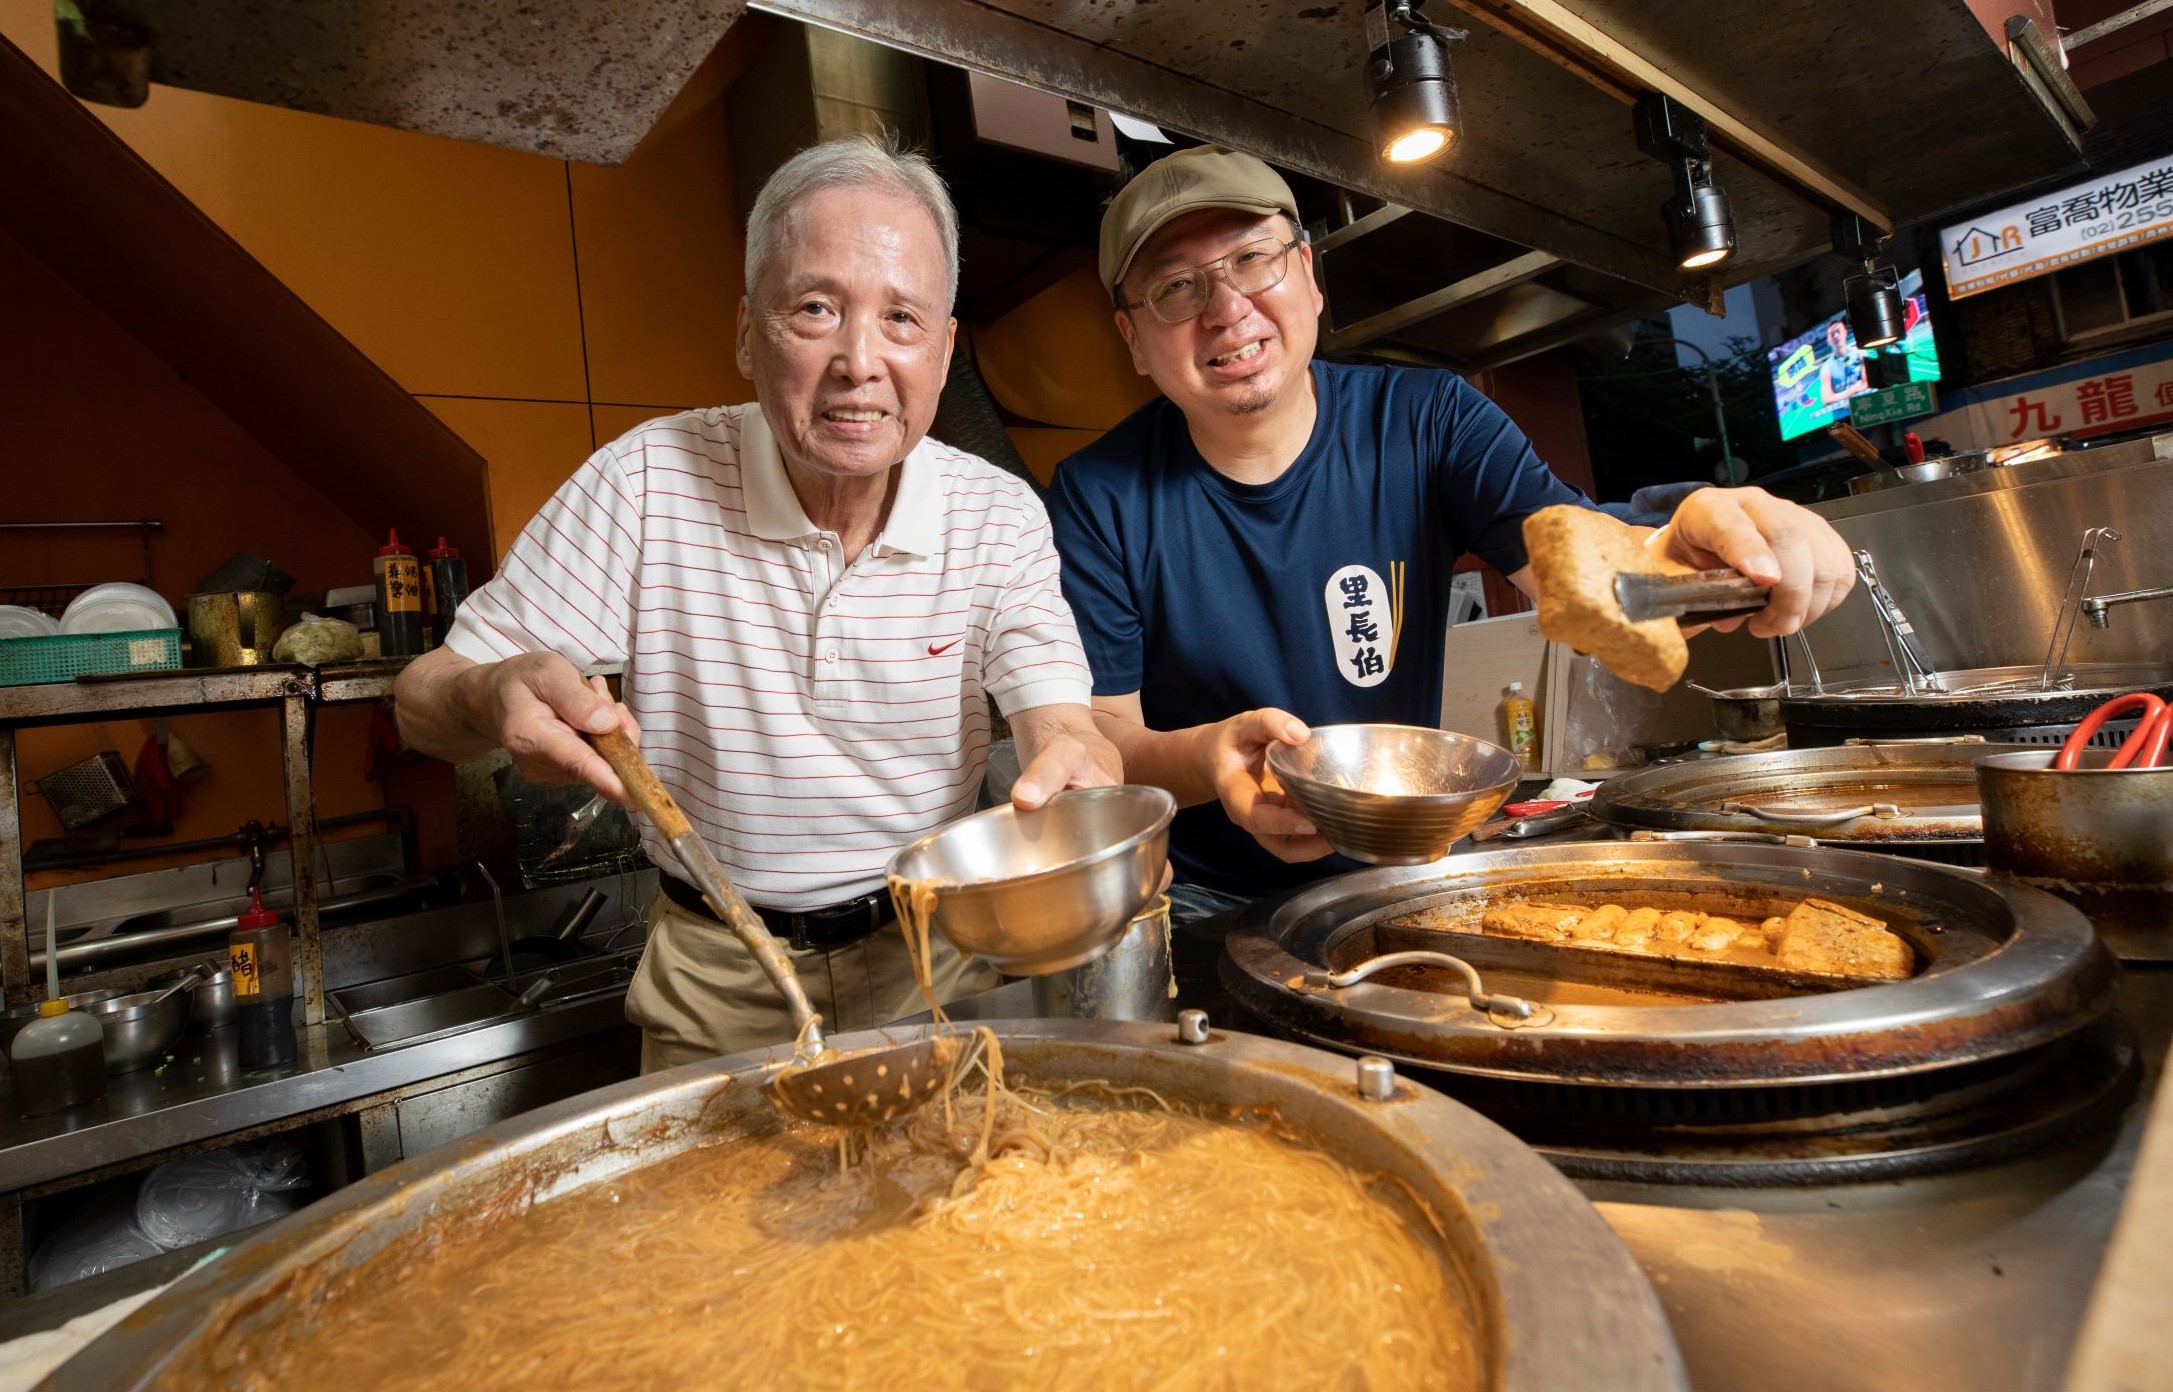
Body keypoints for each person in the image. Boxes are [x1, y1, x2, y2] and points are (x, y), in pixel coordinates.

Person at [396, 136, 1121, 1071]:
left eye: (902, 319)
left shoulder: (995, 512)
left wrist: (1074, 754)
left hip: (935, 964)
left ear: (944, 351)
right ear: (747, 334)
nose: (860, 361)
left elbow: (1059, 719)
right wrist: (487, 693)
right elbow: (422, 698)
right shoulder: (648, 481)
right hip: (717, 969)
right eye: (815, 309)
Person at [1047, 146, 1856, 923]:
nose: (1226, 309)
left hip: (1414, 862)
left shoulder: (1429, 419)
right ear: (1133, 340)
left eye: (1253, 259)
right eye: (1175, 289)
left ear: (1308, 275)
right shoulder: (1097, 494)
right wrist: (1211, 757)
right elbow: (1107, 740)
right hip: (1201, 894)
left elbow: (1574, 569)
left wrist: (1686, 558)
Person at [1818, 318, 1869, 410]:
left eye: (1838, 331)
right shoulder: (1826, 368)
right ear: (1828, 340)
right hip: (1843, 419)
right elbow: (1827, 399)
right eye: (1832, 334)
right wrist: (1853, 390)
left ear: (1845, 332)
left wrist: (1840, 396)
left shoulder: (1860, 354)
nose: (1836, 336)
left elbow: (1868, 383)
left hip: (1866, 407)